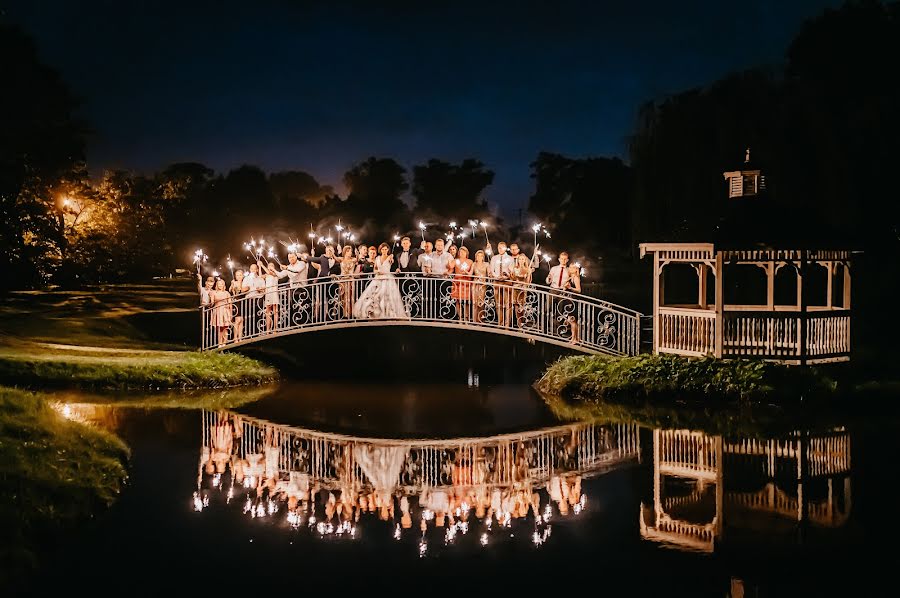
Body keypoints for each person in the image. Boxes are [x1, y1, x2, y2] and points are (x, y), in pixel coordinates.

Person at [352, 243, 408, 319]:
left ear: (388, 250)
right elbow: (375, 268)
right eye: (383, 249)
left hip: (387, 278)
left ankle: (387, 313)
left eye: (386, 249)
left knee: (387, 297)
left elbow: (394, 267)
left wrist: (396, 269)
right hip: (378, 278)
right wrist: (376, 272)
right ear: (380, 250)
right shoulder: (378, 258)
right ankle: (374, 314)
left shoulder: (390, 257)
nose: (384, 251)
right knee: (374, 296)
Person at [488, 241, 515, 327]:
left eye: (502, 247)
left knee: (508, 304)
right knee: (498, 303)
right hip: (497, 282)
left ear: (505, 248)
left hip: (507, 282)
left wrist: (506, 277)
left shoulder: (510, 259)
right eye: (499, 248)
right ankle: (500, 322)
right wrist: (497, 276)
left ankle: (507, 324)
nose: (500, 249)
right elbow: (492, 270)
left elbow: (511, 271)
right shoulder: (494, 258)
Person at [449, 246, 473, 321]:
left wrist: (466, 272)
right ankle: (460, 317)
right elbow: (450, 266)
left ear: (467, 253)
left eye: (464, 252)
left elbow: (471, 272)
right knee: (458, 300)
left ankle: (466, 317)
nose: (462, 253)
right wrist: (449, 257)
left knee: (466, 301)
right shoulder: (456, 260)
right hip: (457, 282)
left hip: (466, 283)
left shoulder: (470, 261)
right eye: (460, 252)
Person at [510, 253, 533, 329]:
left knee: (521, 306)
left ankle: (522, 321)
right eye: (520, 259)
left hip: (523, 290)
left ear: (525, 260)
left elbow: (529, 282)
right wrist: (512, 275)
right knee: (516, 306)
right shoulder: (515, 268)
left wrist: (527, 276)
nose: (521, 260)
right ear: (518, 260)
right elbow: (512, 279)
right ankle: (519, 323)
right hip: (515, 288)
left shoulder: (528, 269)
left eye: (523, 259)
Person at [210, 279, 233, 347]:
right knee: (219, 328)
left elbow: (230, 303)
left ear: (224, 285)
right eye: (219, 284)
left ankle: (224, 343)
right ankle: (220, 343)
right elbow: (212, 303)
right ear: (217, 285)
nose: (220, 285)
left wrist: (231, 313)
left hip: (225, 311)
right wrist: (211, 297)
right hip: (217, 310)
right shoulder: (214, 292)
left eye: (222, 284)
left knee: (225, 328)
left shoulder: (226, 293)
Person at [471, 249, 490, 323]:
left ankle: (480, 319)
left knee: (481, 303)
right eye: (478, 256)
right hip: (475, 284)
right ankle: (474, 320)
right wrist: (465, 272)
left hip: (482, 285)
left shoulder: (486, 264)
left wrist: (490, 274)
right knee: (474, 302)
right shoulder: (474, 264)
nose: (479, 257)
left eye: (481, 256)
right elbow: (470, 273)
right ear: (476, 257)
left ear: (483, 257)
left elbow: (489, 273)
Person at [338, 245, 357, 318]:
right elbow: (335, 258)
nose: (350, 253)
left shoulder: (353, 259)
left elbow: (357, 258)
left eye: (351, 251)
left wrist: (357, 253)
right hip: (343, 280)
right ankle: (344, 314)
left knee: (351, 297)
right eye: (348, 251)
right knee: (343, 297)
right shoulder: (341, 259)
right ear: (345, 252)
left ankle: (351, 313)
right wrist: (333, 252)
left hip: (351, 280)